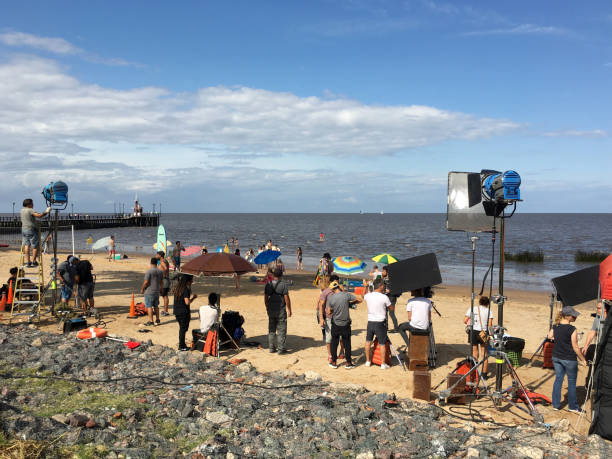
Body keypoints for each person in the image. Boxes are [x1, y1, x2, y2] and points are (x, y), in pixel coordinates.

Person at [547, 306, 588, 412]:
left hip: (556, 357)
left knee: (558, 380)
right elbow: (575, 347)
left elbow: (549, 336)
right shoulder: (572, 329)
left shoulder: (555, 326)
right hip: (569, 359)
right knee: (571, 382)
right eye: (573, 315)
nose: (575, 317)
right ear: (567, 316)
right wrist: (583, 359)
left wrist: (559, 340)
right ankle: (573, 406)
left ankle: (555, 405)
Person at [326, 280, 362, 369]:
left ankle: (334, 362)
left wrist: (334, 310)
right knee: (347, 344)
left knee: (334, 343)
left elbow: (328, 312)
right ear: (338, 287)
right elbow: (358, 299)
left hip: (336, 323)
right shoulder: (346, 295)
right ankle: (348, 363)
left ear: (332, 290)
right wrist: (350, 304)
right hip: (345, 324)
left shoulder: (331, 298)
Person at [364, 278, 392, 369]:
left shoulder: (368, 296)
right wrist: (389, 295)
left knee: (368, 341)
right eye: (383, 285)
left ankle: (368, 361)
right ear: (381, 286)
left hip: (370, 321)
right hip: (380, 322)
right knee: (382, 343)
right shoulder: (384, 297)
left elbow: (363, 296)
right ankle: (383, 364)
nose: (384, 287)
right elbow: (392, 308)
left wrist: (366, 287)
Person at [463, 296, 494, 377]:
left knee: (474, 353)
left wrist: (472, 322)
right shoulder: (489, 311)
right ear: (487, 303)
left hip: (473, 332)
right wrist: (492, 335)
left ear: (480, 302)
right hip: (484, 333)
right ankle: (484, 374)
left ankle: (474, 372)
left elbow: (465, 320)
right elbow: (490, 325)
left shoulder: (473, 309)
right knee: (484, 354)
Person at [264, 267, 292, 354]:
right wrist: (289, 309)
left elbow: (265, 298)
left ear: (273, 275)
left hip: (271, 309)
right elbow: (287, 298)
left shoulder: (268, 284)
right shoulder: (283, 285)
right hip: (280, 309)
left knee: (271, 329)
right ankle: (280, 349)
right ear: (281, 275)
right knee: (282, 330)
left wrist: (267, 307)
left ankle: (271, 348)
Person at [317, 274, 344, 363]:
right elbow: (320, 305)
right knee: (329, 338)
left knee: (341, 337)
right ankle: (330, 355)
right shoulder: (326, 292)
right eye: (336, 282)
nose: (337, 284)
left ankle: (341, 351)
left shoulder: (340, 291)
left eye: (338, 282)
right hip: (329, 318)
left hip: (339, 318)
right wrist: (321, 318)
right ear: (331, 282)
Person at [20, 199, 51, 267]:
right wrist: (46, 211)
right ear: (29, 204)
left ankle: (28, 262)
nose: (33, 204)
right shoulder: (30, 210)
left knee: (26, 245)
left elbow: (29, 219)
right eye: (32, 203)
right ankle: (33, 261)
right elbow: (39, 215)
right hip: (31, 229)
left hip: (24, 229)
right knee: (35, 246)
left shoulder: (22, 210)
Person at [582, 302, 604, 387]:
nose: (597, 310)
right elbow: (592, 332)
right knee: (592, 361)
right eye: (597, 308)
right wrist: (586, 345)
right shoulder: (597, 318)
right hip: (600, 345)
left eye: (599, 308)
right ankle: (590, 384)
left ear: (605, 309)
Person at [173, 274, 197, 351]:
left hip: (177, 311)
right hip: (183, 312)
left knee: (182, 328)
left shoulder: (178, 288)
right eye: (192, 280)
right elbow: (187, 302)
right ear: (188, 281)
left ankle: (182, 344)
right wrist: (193, 298)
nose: (192, 281)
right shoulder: (185, 289)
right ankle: (181, 345)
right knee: (183, 329)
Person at [141, 257, 163, 326]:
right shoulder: (160, 271)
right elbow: (161, 282)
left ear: (151, 263)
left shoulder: (149, 271)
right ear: (157, 263)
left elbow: (146, 282)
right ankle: (158, 319)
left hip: (149, 291)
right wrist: (161, 289)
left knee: (149, 306)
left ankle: (151, 321)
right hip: (157, 291)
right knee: (156, 306)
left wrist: (142, 289)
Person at [382, 266, 400, 333]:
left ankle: (396, 328)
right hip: (385, 298)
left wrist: (390, 291)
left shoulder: (393, 280)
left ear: (387, 272)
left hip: (392, 298)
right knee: (385, 312)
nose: (382, 272)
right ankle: (386, 327)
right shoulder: (384, 279)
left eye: (383, 271)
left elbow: (397, 289)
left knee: (391, 313)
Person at [156, 251, 171, 316]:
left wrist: (163, 275)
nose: (156, 256)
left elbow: (165, 268)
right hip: (165, 280)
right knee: (164, 295)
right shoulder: (165, 261)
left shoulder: (162, 262)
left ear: (160, 255)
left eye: (157, 255)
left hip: (164, 281)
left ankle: (165, 311)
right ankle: (165, 311)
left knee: (164, 296)